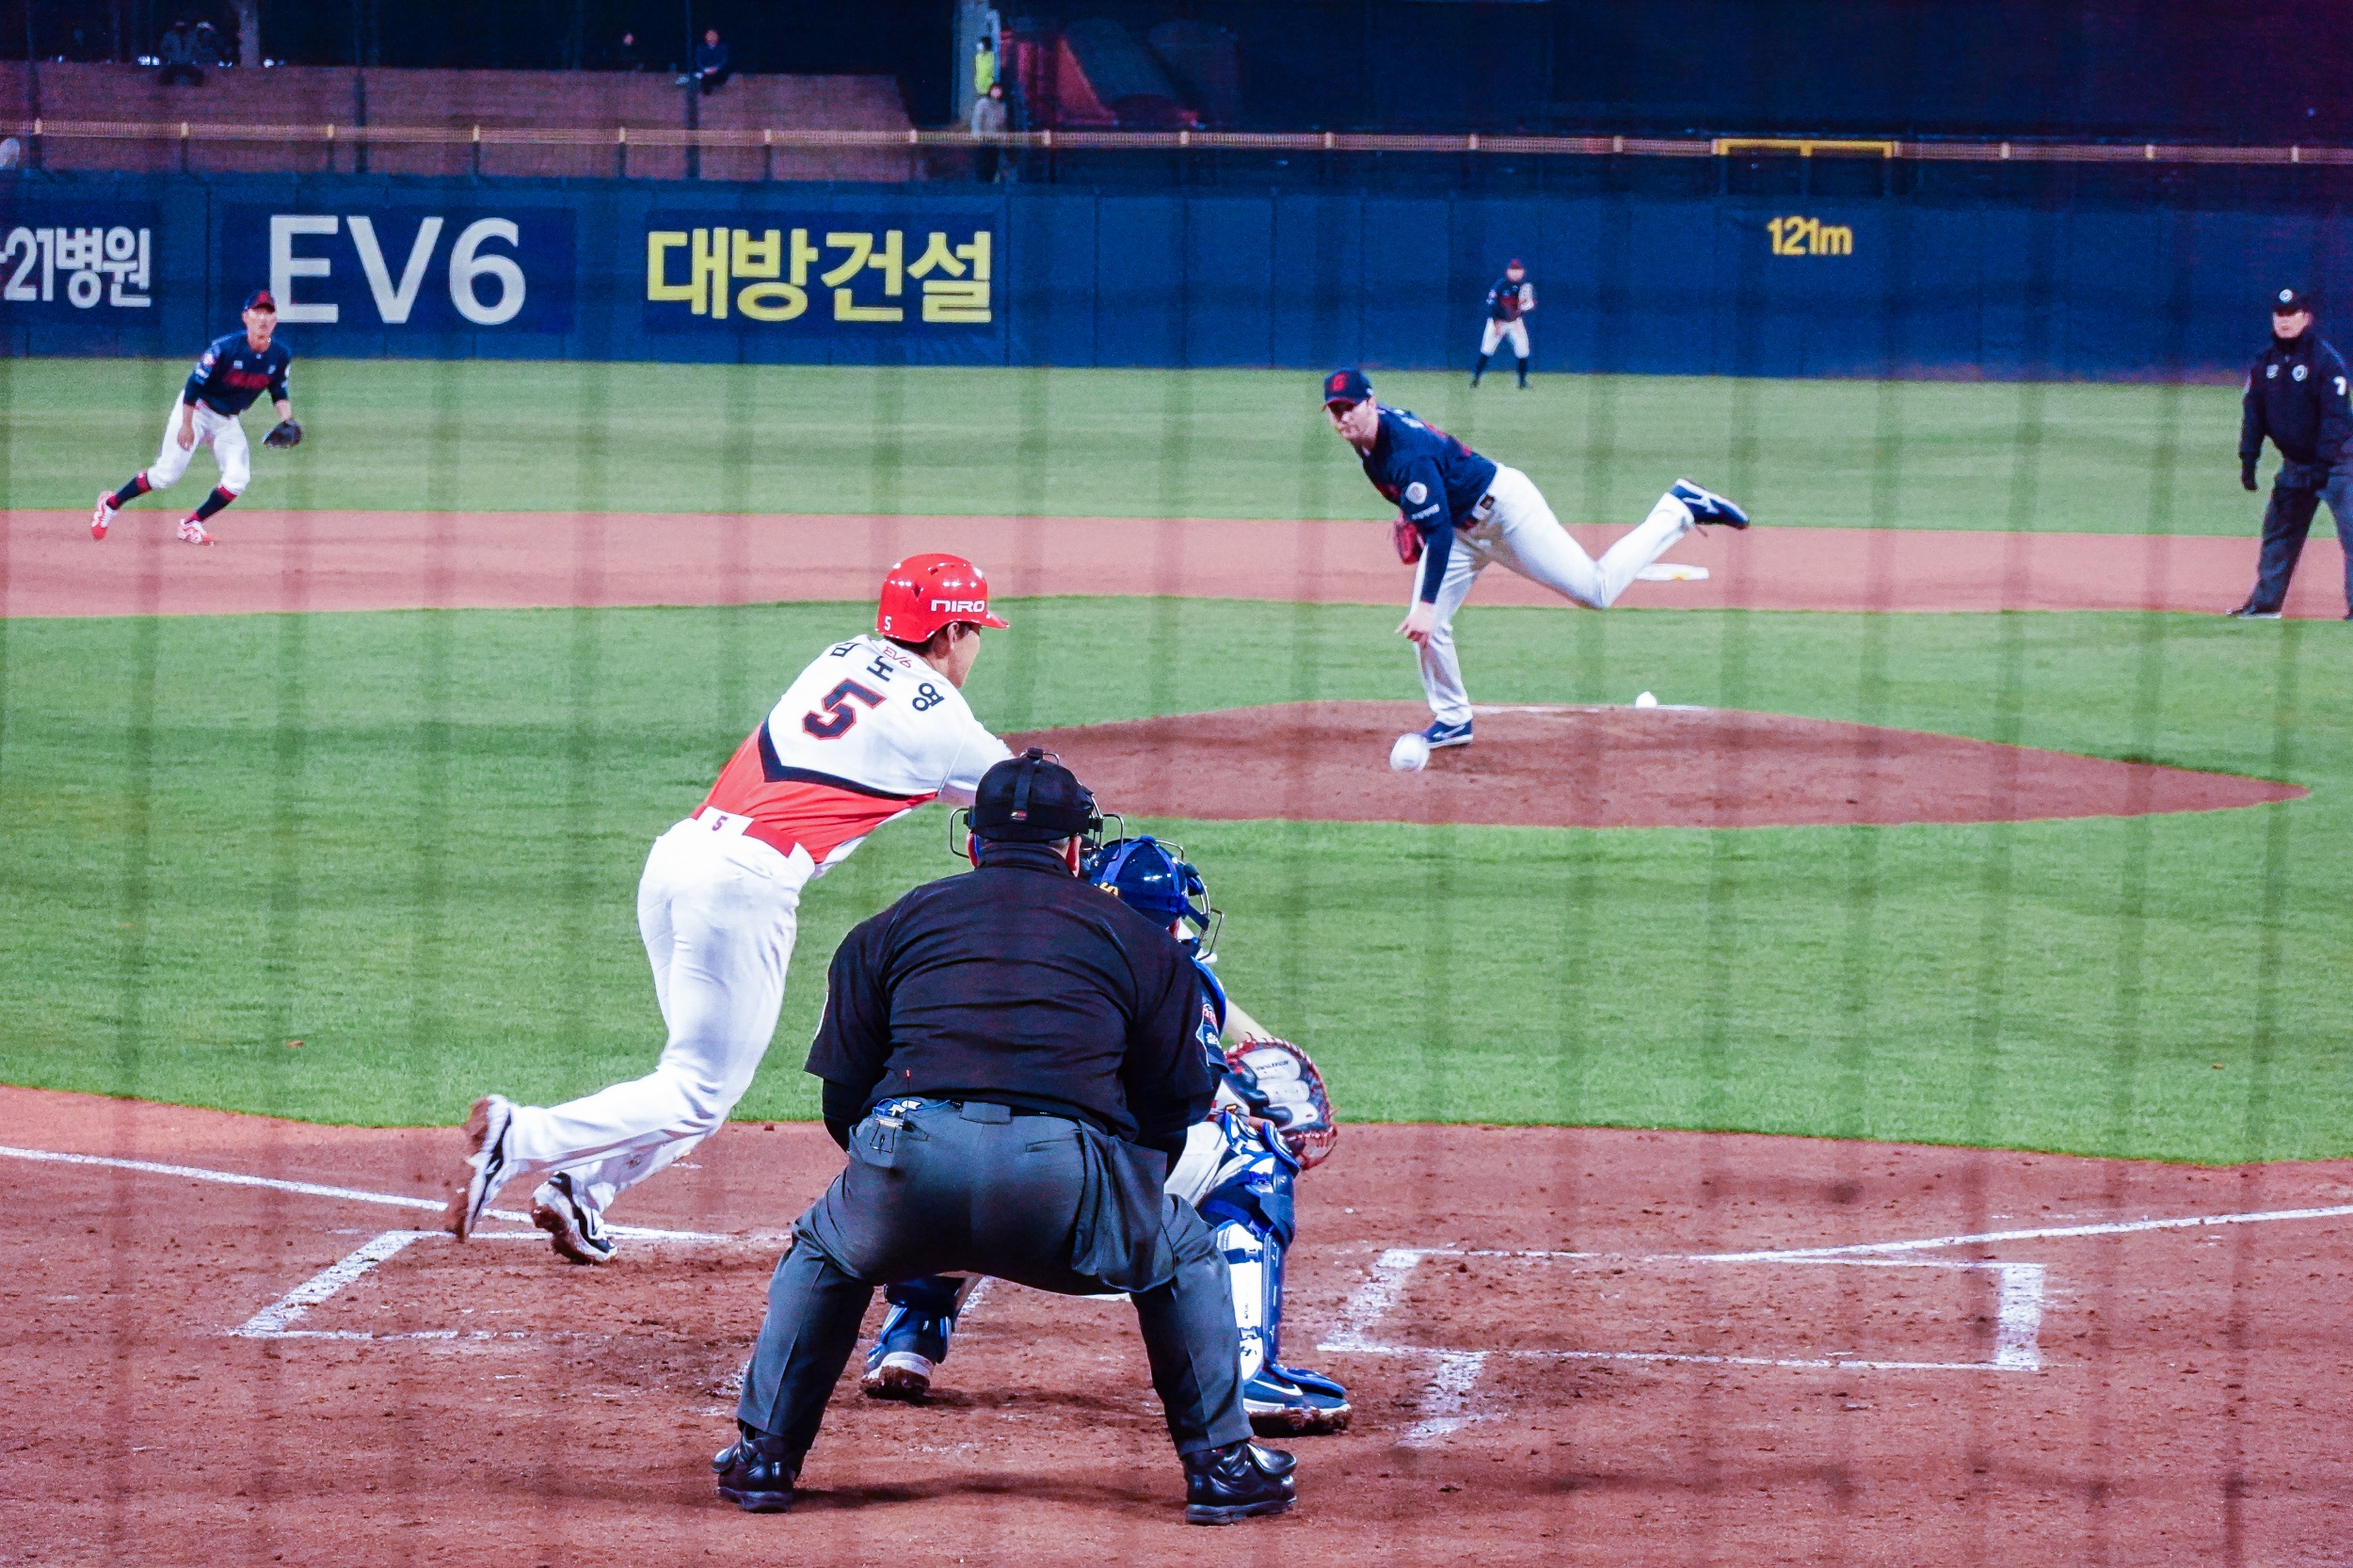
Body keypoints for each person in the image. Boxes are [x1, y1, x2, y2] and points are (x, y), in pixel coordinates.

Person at [712, 752, 1298, 1524]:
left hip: (906, 1161)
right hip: (1065, 1178)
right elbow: (1176, 1103)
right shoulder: (1143, 941)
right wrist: (1116, 1195)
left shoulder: (890, 925)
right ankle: (1221, 1468)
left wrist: (892, 1184)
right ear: (1075, 848)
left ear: (973, 841)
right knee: (1184, 1251)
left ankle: (765, 1458)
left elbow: (843, 1095)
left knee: (825, 1249)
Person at [440, 555, 1016, 1263]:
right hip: (744, 884)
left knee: (698, 1075)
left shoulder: (841, 655)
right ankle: (520, 1136)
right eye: (976, 630)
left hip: (679, 857)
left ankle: (581, 1190)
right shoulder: (947, 725)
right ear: (952, 631)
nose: (977, 646)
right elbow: (1022, 795)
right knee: (699, 1090)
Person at [859, 835, 1351, 1435]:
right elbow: (1177, 1098)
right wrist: (1243, 1103)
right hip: (1068, 1199)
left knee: (959, 1126)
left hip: (928, 1197)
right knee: (1252, 1156)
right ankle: (1245, 1372)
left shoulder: (990, 947)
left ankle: (908, 1336)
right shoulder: (1174, 975)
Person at [1321, 367, 1750, 759]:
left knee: (1595, 590)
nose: (1342, 418)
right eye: (1335, 411)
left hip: (1507, 514)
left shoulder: (1405, 453)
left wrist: (1427, 604)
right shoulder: (1370, 439)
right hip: (1461, 529)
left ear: (1371, 403)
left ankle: (1679, 508)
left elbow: (1435, 533)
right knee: (1427, 631)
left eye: (1350, 407)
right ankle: (1453, 719)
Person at [92, 289, 295, 546]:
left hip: (227, 421)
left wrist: (287, 420)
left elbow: (278, 391)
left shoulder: (280, 355)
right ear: (246, 317)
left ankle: (191, 524)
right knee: (166, 475)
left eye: (269, 313)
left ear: (276, 320)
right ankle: (110, 504)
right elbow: (193, 385)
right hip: (197, 409)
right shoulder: (224, 349)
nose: (263, 318)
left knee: (238, 478)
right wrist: (186, 424)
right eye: (257, 312)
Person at [2230, 286, 2353, 620]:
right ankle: (2265, 605)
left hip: (2340, 463)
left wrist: (2324, 465)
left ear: (2306, 318)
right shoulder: (2264, 363)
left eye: (2292, 314)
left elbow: (2336, 418)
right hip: (2296, 465)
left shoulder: (2325, 362)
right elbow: (2254, 414)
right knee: (2279, 534)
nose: (2284, 320)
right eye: (2279, 314)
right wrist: (2249, 458)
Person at [1472, 258, 1535, 389]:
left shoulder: (1524, 287)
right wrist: (1496, 323)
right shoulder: (1500, 286)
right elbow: (1491, 305)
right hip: (1497, 321)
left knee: (1523, 351)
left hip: (1514, 322)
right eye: (1513, 270)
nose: (1515, 273)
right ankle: (1475, 379)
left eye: (1518, 270)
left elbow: (1526, 306)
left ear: (1523, 272)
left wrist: (1523, 311)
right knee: (1487, 350)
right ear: (1507, 271)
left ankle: (1522, 382)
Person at [969, 82, 1009, 181]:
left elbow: (1002, 125)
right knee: (982, 165)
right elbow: (977, 121)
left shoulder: (1001, 106)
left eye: (999, 90)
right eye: (995, 90)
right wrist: (978, 137)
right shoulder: (982, 103)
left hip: (995, 142)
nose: (997, 92)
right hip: (982, 141)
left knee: (993, 164)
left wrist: (1003, 139)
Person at [681, 27, 729, 94]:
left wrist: (717, 68)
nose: (711, 37)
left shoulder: (722, 47)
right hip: (704, 71)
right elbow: (697, 61)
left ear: (718, 37)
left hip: (718, 71)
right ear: (705, 37)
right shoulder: (700, 47)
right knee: (704, 77)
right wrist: (704, 69)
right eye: (709, 35)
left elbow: (724, 60)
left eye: (714, 35)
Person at [155, 18, 203, 86]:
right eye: (179, 26)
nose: (181, 28)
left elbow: (197, 49)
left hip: (188, 63)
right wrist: (171, 56)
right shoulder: (169, 36)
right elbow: (164, 48)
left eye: (182, 26)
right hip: (174, 63)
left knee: (199, 76)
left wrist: (191, 58)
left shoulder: (192, 36)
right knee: (164, 78)